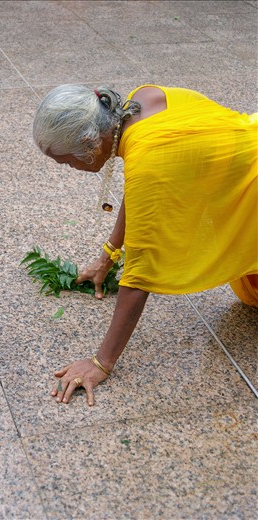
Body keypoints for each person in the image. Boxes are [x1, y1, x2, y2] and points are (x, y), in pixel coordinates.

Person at [33, 84, 258, 406]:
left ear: (89, 143)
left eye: (67, 163)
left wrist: (101, 363)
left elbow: (139, 277)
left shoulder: (148, 163)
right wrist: (107, 257)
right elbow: (141, 192)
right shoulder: (143, 99)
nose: (72, 169)